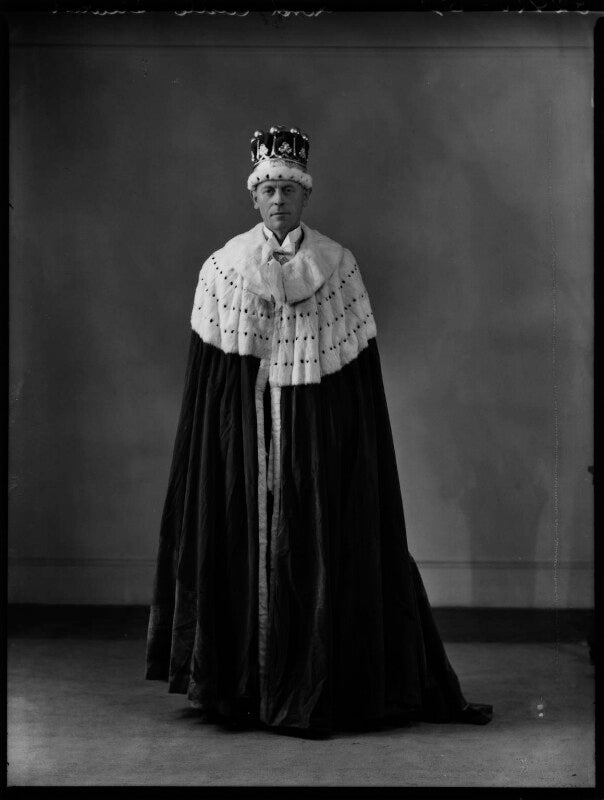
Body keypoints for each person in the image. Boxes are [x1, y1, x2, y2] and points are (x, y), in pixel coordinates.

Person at [145, 124, 493, 738]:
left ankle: (314, 683)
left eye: (289, 189)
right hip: (245, 437)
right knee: (243, 537)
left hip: (314, 435)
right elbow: (209, 386)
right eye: (269, 189)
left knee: (315, 544)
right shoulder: (223, 268)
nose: (278, 199)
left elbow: (359, 382)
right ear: (254, 197)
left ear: (306, 195)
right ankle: (243, 689)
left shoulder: (338, 266)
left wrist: (340, 444)